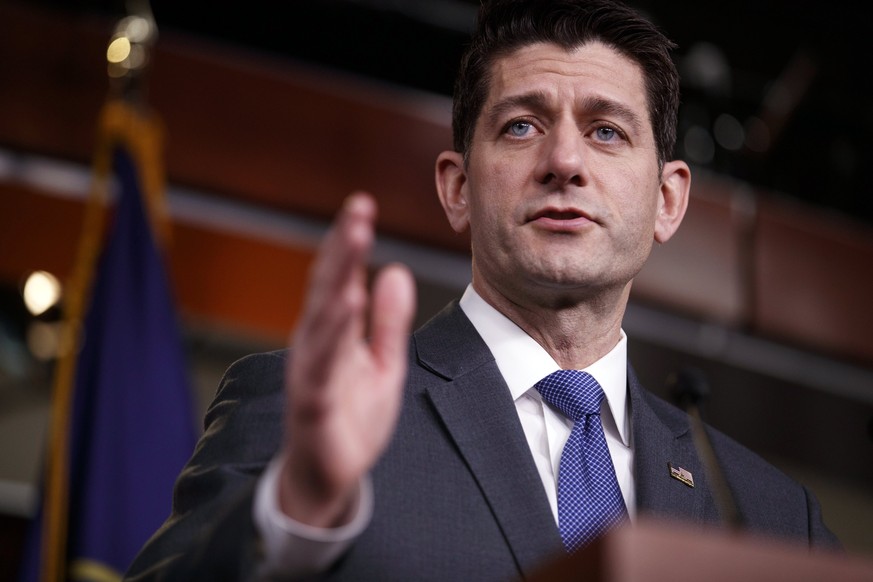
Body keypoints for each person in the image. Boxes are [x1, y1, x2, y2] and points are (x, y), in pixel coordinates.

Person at [125, 0, 838, 579]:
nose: (564, 161)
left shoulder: (773, 515)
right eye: (522, 125)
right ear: (457, 188)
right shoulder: (303, 414)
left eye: (607, 131)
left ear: (667, 201)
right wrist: (297, 510)